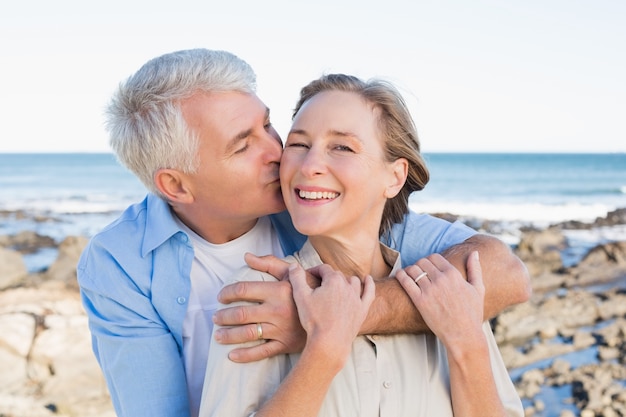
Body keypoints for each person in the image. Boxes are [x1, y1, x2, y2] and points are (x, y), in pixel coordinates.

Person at [76, 49, 529, 417]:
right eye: (244, 144)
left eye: (271, 126)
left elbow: (504, 273)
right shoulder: (121, 263)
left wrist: (337, 315)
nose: (280, 153)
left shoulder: (333, 212)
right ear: (176, 184)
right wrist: (325, 347)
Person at [199, 73, 523, 416]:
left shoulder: (447, 292)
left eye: (342, 147)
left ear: (394, 177)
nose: (310, 166)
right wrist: (324, 353)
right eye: (298, 144)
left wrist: (466, 344)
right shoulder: (259, 296)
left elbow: (512, 273)